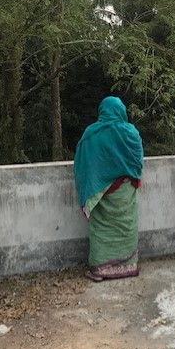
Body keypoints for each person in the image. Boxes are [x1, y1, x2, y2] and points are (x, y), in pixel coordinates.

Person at [73, 96, 144, 282]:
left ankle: (100, 270)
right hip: (126, 191)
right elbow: (137, 162)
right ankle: (129, 266)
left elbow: (83, 164)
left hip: (100, 192)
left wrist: (99, 180)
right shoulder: (130, 133)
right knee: (126, 225)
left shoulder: (92, 134)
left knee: (101, 228)